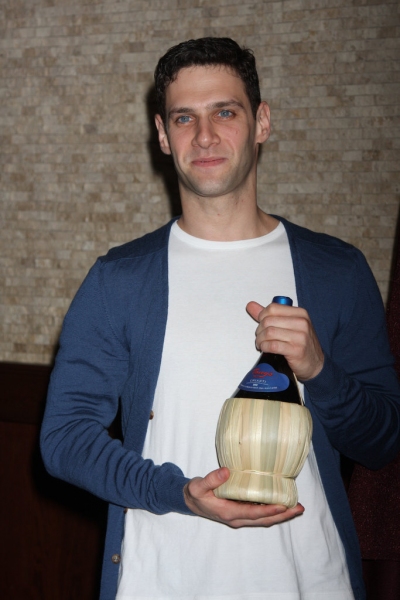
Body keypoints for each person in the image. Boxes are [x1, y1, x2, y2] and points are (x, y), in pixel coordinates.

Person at [40, 37, 400, 600]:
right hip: (158, 580)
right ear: (163, 135)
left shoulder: (337, 270)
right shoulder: (119, 280)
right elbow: (64, 440)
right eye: (185, 117)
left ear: (261, 122)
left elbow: (383, 440)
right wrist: (178, 493)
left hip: (310, 582)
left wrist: (320, 370)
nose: (204, 136)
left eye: (225, 112)